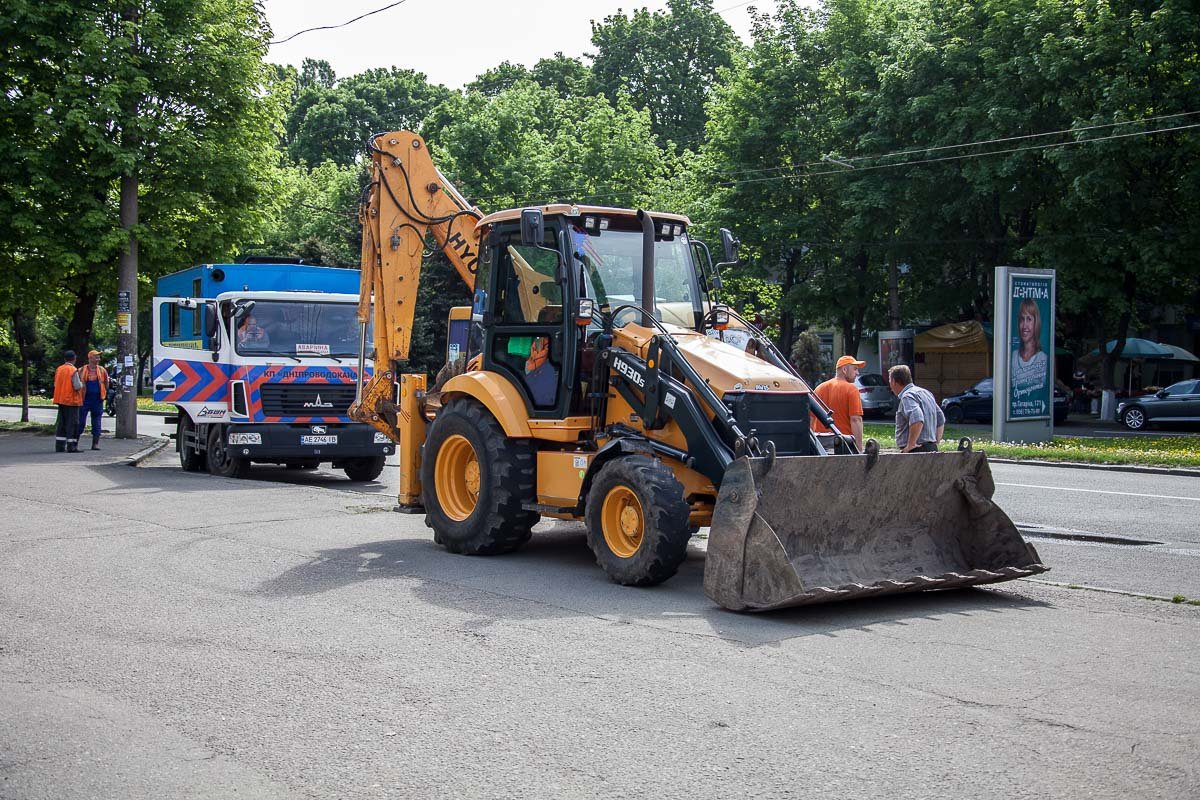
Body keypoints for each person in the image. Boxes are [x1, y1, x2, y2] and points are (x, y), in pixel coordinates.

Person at [810, 355, 865, 452]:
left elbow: (811, 418)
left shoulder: (819, 388)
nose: (857, 373)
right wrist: (859, 449)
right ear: (844, 369)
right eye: (855, 369)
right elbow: (856, 419)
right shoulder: (851, 389)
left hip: (820, 447)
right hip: (843, 445)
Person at [888, 364, 944, 453]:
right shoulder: (926, 393)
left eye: (890, 381)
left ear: (894, 381)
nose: (890, 385)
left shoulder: (907, 396)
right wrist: (936, 441)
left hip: (916, 451)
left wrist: (911, 445)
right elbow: (940, 418)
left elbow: (917, 418)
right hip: (931, 448)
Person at [1011, 298, 1048, 411]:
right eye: (1022, 319)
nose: (1024, 326)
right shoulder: (1012, 356)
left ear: (1036, 323)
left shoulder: (1043, 359)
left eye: (1029, 319)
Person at [76, 350, 109, 450]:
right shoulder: (81, 370)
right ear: (90, 358)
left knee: (97, 422)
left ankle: (95, 444)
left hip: (97, 399)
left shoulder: (102, 370)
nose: (98, 359)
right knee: (80, 422)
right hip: (84, 399)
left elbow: (106, 383)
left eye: (99, 357)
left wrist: (103, 394)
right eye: (96, 357)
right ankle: (74, 443)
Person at [52, 349, 83, 453]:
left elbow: (56, 384)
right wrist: (82, 384)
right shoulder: (73, 370)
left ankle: (60, 446)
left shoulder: (59, 369)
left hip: (61, 399)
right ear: (74, 359)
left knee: (62, 423)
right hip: (71, 400)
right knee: (73, 423)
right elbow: (77, 386)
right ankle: (71, 446)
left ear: (65, 359)